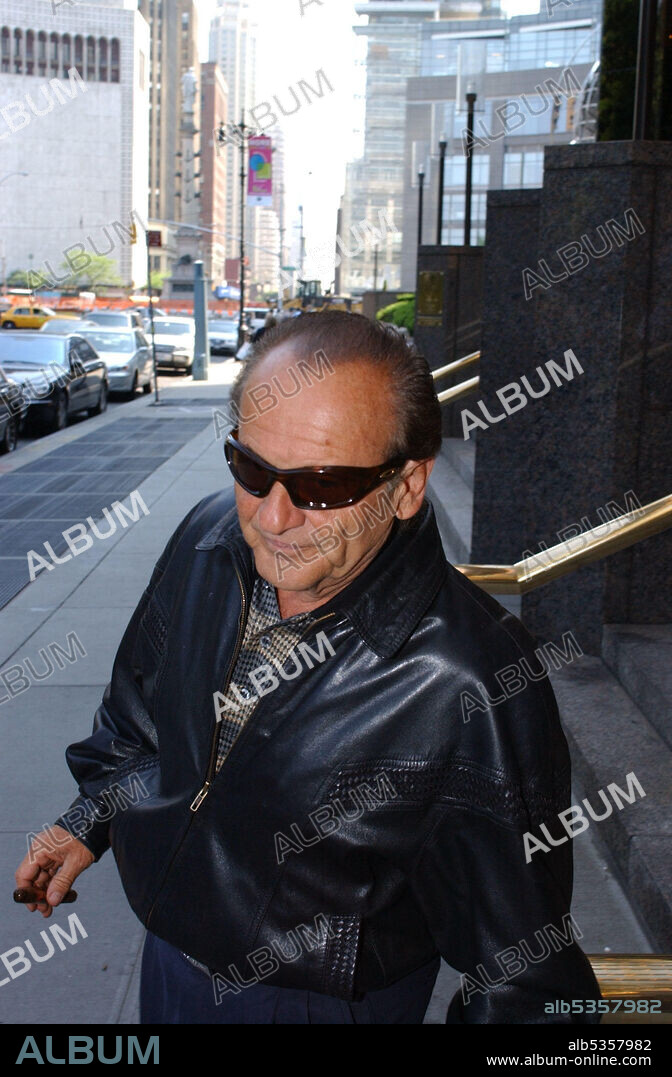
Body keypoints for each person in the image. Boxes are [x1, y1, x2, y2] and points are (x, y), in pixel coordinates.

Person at [16, 313, 601, 1025]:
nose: (273, 516)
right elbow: (136, 719)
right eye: (252, 468)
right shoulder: (207, 535)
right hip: (170, 960)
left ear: (409, 484)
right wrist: (89, 821)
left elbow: (525, 981)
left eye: (322, 486)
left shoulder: (472, 681)